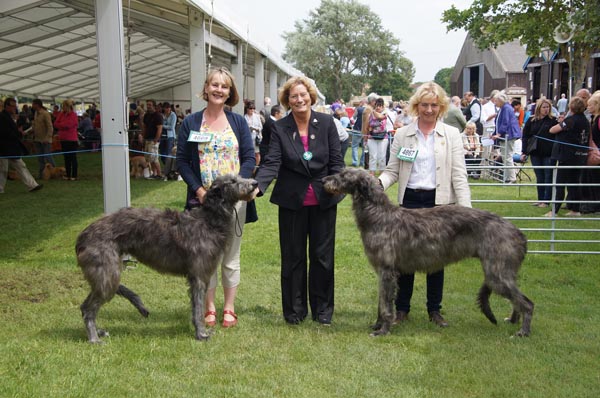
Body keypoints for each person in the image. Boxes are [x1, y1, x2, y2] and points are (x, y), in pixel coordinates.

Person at [378, 81, 471, 327]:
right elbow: (392, 171)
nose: (429, 110)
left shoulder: (451, 135)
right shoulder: (403, 134)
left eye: (433, 105)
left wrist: (467, 211)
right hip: (409, 202)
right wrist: (378, 184)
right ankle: (402, 309)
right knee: (404, 259)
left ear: (441, 107)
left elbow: (459, 175)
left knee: (436, 259)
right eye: (424, 105)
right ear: (416, 106)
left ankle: (434, 310)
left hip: (439, 204)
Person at [255, 76, 345, 326]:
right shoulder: (279, 127)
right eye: (293, 96)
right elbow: (272, 161)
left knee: (322, 258)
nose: (299, 99)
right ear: (287, 100)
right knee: (293, 258)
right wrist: (257, 187)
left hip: (324, 199)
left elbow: (336, 161)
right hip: (292, 201)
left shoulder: (327, 123)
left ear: (311, 97)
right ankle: (294, 312)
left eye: (303, 95)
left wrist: (339, 186)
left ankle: (323, 311)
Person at [176, 67, 257, 328]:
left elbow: (248, 158)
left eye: (224, 86)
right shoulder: (191, 122)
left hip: (234, 204)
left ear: (230, 92)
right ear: (206, 88)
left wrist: (240, 189)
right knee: (203, 256)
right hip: (202, 204)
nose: (218, 90)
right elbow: (183, 162)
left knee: (231, 257)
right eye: (214, 85)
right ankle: (209, 307)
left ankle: (229, 307)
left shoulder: (238, 122)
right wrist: (199, 190)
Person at [546, 96, 590, 217]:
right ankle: (576, 210)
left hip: (567, 156)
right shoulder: (585, 120)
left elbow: (553, 130)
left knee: (560, 183)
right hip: (580, 156)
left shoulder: (571, 120)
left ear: (571, 107)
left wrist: (562, 121)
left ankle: (554, 210)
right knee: (574, 183)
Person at [0, 97, 43, 193]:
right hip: (5, 148)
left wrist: (18, 132)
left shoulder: (10, 116)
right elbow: (5, 133)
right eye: (13, 106)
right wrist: (19, 133)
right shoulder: (2, 117)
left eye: (15, 106)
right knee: (4, 169)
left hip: (10, 148)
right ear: (7, 106)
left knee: (19, 166)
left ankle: (32, 185)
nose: (15, 108)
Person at [520, 98, 558, 207]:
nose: (546, 110)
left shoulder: (553, 120)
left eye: (548, 107)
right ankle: (540, 198)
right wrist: (524, 151)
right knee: (539, 176)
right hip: (535, 152)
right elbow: (525, 136)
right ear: (539, 108)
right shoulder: (532, 120)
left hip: (548, 153)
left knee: (548, 176)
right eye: (544, 107)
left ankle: (546, 200)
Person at [491, 92, 522, 183]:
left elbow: (505, 122)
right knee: (505, 157)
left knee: (507, 156)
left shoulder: (506, 108)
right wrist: (494, 133)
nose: (495, 103)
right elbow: (499, 123)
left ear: (501, 100)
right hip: (507, 134)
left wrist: (499, 133)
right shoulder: (503, 108)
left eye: (496, 101)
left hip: (509, 135)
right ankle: (508, 177)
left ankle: (511, 178)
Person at [581, 91, 600, 214]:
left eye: (590, 105)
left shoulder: (598, 120)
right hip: (594, 153)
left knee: (596, 180)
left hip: (597, 154)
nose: (588, 107)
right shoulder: (594, 118)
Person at [54, 99, 79, 180]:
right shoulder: (61, 114)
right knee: (66, 158)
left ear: (68, 106)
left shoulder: (73, 115)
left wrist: (61, 125)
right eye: (62, 106)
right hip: (63, 139)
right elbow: (55, 124)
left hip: (72, 140)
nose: (63, 108)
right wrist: (62, 125)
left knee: (73, 158)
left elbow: (69, 125)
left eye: (64, 106)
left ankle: (74, 175)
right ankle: (68, 175)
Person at [31, 99, 55, 179]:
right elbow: (34, 125)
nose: (32, 105)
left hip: (45, 140)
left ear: (37, 105)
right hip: (37, 139)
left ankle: (54, 172)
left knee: (48, 157)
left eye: (33, 104)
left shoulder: (45, 114)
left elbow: (50, 126)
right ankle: (42, 174)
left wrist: (47, 137)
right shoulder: (35, 114)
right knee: (40, 158)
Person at [366, 97, 388, 175]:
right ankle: (372, 173)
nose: (378, 107)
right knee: (373, 156)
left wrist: (373, 111)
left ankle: (382, 173)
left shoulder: (385, 113)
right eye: (377, 105)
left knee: (382, 156)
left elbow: (380, 117)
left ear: (383, 107)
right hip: (372, 137)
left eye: (380, 106)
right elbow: (368, 125)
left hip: (383, 138)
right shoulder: (370, 114)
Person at [142, 99, 163, 179]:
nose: (148, 106)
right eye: (147, 105)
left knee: (154, 158)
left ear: (154, 106)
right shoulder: (146, 115)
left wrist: (156, 140)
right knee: (149, 158)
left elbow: (159, 128)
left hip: (153, 140)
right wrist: (143, 136)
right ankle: (154, 174)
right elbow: (144, 126)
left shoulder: (158, 115)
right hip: (147, 139)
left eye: (150, 105)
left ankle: (159, 174)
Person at [244, 100, 263, 168]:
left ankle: (256, 167)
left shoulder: (257, 116)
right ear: (247, 109)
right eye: (250, 108)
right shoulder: (244, 117)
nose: (252, 110)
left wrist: (255, 129)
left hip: (256, 138)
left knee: (257, 153)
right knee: (249, 153)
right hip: (248, 138)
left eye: (253, 108)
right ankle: (250, 166)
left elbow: (261, 127)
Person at [351, 99, 366, 167]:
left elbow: (352, 118)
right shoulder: (370, 110)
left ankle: (355, 162)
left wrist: (352, 122)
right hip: (365, 131)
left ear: (361, 103)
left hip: (357, 129)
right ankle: (362, 162)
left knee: (355, 146)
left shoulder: (358, 109)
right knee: (364, 147)